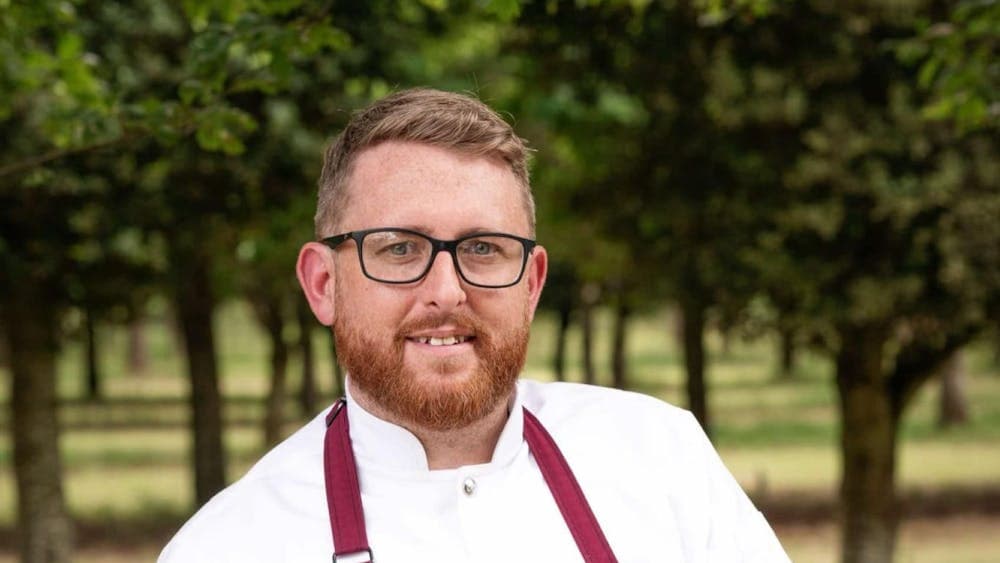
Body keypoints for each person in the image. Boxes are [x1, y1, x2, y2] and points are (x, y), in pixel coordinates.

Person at [159, 88, 790, 562]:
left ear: (534, 282)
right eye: (399, 248)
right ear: (323, 284)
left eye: (484, 248)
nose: (445, 292)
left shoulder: (661, 460)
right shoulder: (230, 545)